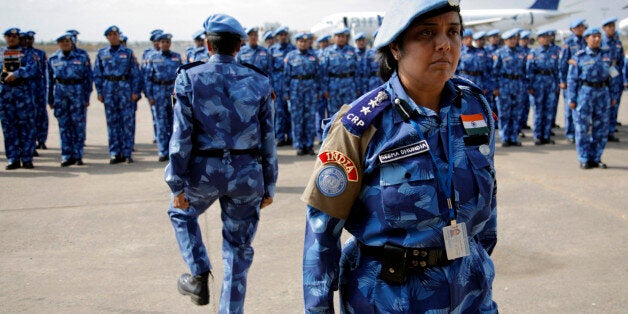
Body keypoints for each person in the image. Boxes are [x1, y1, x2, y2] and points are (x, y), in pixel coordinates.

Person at [301, 0, 498, 312]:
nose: (444, 44)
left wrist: (474, 263)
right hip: (391, 298)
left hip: (469, 294)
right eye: (426, 34)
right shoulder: (359, 126)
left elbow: (488, 207)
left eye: (454, 32)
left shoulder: (473, 107)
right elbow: (321, 234)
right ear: (395, 47)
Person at [166, 13, 277, 312]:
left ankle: (199, 274)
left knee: (180, 213)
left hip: (204, 171)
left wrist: (176, 184)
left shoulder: (189, 77)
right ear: (240, 45)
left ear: (207, 45)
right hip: (247, 174)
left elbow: (181, 139)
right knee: (238, 250)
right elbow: (269, 139)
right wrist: (269, 184)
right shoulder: (259, 80)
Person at [567, 27, 618, 169]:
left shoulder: (607, 56)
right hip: (585, 93)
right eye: (593, 36)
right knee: (582, 128)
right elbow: (572, 79)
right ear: (587, 39)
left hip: (603, 93)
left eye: (598, 36)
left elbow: (613, 76)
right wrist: (572, 99)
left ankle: (596, 157)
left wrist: (614, 95)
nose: (597, 39)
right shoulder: (579, 56)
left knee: (601, 128)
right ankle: (584, 158)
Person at [93, 25, 141, 164]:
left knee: (127, 122)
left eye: (115, 34)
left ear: (119, 36)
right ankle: (115, 153)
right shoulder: (101, 53)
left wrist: (135, 91)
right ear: (107, 37)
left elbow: (135, 74)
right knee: (112, 123)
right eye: (110, 35)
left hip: (125, 88)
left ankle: (127, 153)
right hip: (109, 89)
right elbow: (97, 73)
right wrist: (99, 91)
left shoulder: (127, 52)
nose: (113, 37)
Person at [46, 33, 93, 166]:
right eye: (62, 41)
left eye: (67, 41)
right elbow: (49, 81)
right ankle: (66, 155)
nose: (65, 43)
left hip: (77, 93)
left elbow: (88, 78)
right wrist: (50, 99)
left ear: (72, 42)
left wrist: (87, 96)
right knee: (64, 126)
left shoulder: (81, 57)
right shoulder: (53, 59)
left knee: (78, 126)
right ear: (58, 44)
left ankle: (78, 155)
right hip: (60, 95)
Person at [0, 27, 41, 170]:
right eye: (8, 36)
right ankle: (13, 158)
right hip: (5, 96)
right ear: (5, 38)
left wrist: (17, 74)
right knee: (9, 129)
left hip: (23, 96)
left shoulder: (27, 53)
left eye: (14, 36)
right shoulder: (1, 53)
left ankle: (27, 158)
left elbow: (33, 68)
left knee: (27, 128)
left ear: (19, 38)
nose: (11, 39)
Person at [145, 33, 182, 162]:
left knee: (174, 122)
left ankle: (173, 150)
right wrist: (149, 95)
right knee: (161, 122)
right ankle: (162, 151)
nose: (165, 44)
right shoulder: (152, 58)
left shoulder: (176, 57)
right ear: (158, 44)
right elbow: (148, 77)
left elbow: (181, 77)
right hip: (158, 91)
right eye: (163, 42)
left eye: (167, 41)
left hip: (172, 93)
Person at [283, 32, 319, 156]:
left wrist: (319, 90)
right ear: (297, 42)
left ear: (309, 42)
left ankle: (309, 145)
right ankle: (299, 145)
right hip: (295, 89)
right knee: (297, 118)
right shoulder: (291, 56)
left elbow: (319, 74)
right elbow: (286, 76)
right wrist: (286, 92)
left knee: (309, 118)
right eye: (300, 41)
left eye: (305, 41)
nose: (303, 43)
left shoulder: (314, 55)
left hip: (310, 89)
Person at [492, 28, 528, 147]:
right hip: (504, 86)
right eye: (510, 39)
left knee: (516, 113)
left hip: (518, 85)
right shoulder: (500, 53)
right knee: (504, 113)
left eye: (514, 39)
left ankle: (513, 137)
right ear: (505, 41)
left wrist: (525, 86)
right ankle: (504, 137)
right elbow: (495, 72)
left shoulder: (522, 53)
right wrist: (495, 88)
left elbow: (525, 71)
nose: (512, 41)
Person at [527, 29, 559, 145]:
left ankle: (546, 135)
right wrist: (530, 85)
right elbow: (529, 70)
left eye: (547, 37)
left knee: (549, 110)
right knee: (538, 111)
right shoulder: (534, 53)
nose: (545, 39)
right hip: (538, 83)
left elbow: (557, 69)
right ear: (538, 39)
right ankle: (537, 136)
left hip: (550, 82)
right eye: (543, 37)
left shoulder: (555, 51)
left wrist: (557, 84)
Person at [559, 19, 587, 144]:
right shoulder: (568, 43)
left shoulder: (587, 40)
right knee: (570, 107)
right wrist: (562, 80)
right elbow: (563, 63)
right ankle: (570, 133)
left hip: (584, 82)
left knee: (582, 109)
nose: (580, 29)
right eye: (578, 27)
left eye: (582, 27)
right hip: (571, 81)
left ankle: (580, 132)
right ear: (572, 29)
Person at [321, 27, 359, 117]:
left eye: (343, 36)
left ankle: (348, 131)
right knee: (334, 113)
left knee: (350, 112)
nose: (341, 39)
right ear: (334, 38)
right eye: (338, 36)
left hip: (349, 86)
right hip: (333, 86)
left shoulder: (352, 50)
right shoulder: (328, 51)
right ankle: (333, 131)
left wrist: (357, 87)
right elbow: (323, 72)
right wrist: (325, 89)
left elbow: (357, 71)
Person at [21, 31, 48, 151]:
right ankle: (29, 144)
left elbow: (45, 72)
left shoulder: (40, 53)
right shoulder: (18, 53)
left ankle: (41, 140)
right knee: (28, 117)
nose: (28, 41)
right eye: (25, 39)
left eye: (30, 38)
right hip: (25, 89)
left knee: (41, 114)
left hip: (39, 87)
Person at [269, 26, 296, 146]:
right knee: (279, 112)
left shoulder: (293, 49)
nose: (283, 37)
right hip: (277, 83)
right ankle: (280, 137)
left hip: (291, 84)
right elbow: (269, 69)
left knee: (290, 111)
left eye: (285, 34)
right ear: (277, 37)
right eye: (281, 35)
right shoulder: (272, 50)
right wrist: (271, 86)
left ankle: (290, 136)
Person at [601, 17, 624, 142]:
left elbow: (620, 62)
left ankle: (610, 131)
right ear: (604, 29)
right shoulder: (600, 42)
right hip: (603, 77)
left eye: (613, 27)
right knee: (602, 106)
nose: (611, 29)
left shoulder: (617, 43)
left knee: (614, 104)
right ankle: (601, 132)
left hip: (615, 76)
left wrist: (619, 76)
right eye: (609, 27)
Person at [518, 30, 532, 133]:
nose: (525, 41)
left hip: (523, 82)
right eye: (523, 39)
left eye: (526, 39)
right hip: (511, 83)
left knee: (524, 105)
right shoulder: (519, 52)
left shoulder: (530, 52)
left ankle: (523, 124)